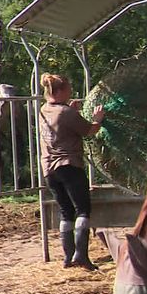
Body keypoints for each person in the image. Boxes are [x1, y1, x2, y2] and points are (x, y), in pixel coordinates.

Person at [38, 73, 105, 270]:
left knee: (66, 211)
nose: (71, 92)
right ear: (59, 91)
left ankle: (68, 256)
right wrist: (98, 119)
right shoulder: (66, 113)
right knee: (82, 209)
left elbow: (62, 125)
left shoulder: (45, 109)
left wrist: (71, 110)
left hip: (49, 169)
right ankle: (81, 255)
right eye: (68, 89)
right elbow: (89, 130)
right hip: (69, 165)